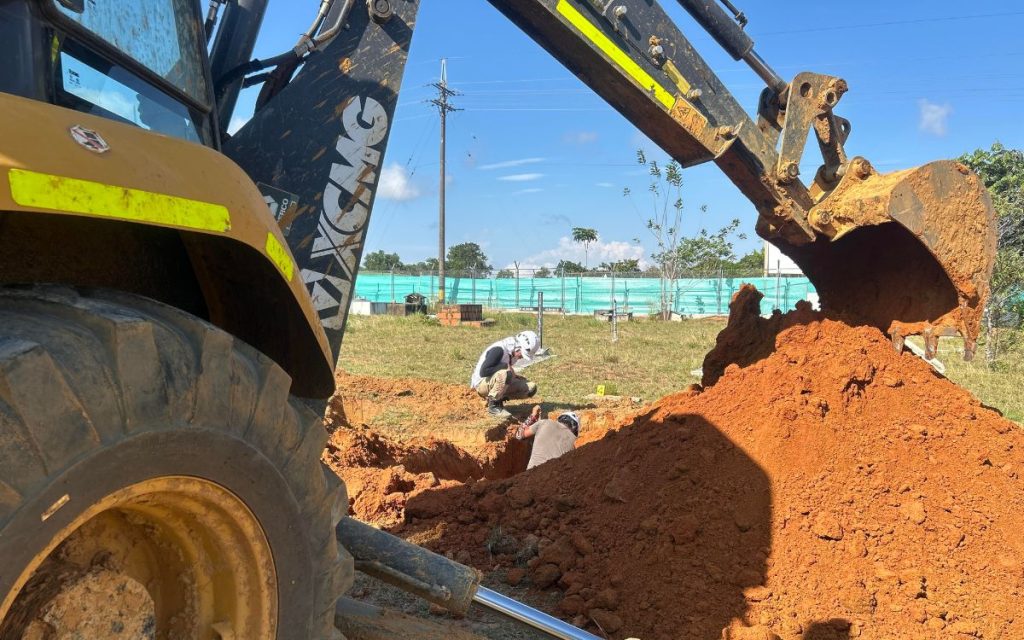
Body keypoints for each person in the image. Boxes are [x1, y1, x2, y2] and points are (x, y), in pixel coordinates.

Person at [470, 330, 539, 416]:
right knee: (506, 373)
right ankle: (493, 407)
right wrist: (505, 367)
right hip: (480, 385)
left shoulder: (513, 351)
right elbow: (484, 371)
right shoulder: (499, 350)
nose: (521, 357)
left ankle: (499, 399)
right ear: (518, 347)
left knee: (531, 388)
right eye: (522, 354)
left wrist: (514, 376)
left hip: (495, 381)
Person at [515, 405, 580, 469]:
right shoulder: (574, 443)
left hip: (530, 476)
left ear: (560, 419)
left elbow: (519, 435)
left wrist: (533, 416)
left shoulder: (544, 422)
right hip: (553, 478)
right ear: (575, 429)